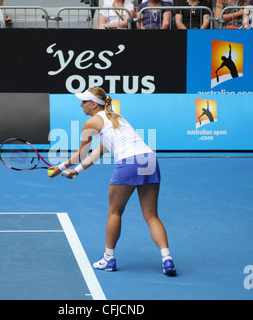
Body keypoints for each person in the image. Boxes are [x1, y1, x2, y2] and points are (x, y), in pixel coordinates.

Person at [48, 87, 177, 276]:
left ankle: (109, 258)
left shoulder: (91, 122)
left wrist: (59, 167)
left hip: (128, 162)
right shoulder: (117, 117)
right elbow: (100, 150)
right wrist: (76, 170)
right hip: (149, 159)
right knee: (151, 215)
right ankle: (167, 259)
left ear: (93, 104)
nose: (81, 105)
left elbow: (81, 153)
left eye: (84, 101)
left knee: (115, 211)